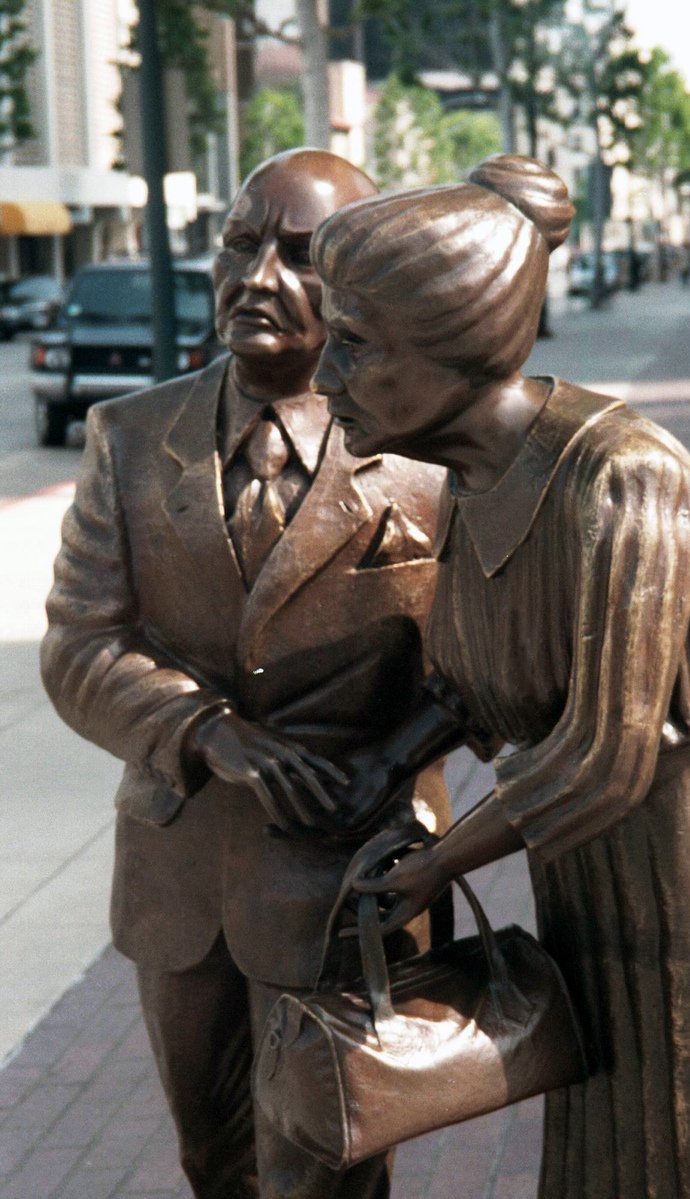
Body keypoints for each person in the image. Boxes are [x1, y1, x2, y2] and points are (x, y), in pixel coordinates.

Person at [310, 154, 690, 1199]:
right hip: (587, 851)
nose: (322, 378)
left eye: (352, 346)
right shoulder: (468, 482)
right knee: (612, 1118)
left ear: (453, 349)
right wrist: (373, 770)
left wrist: (446, 859)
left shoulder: (622, 477)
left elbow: (602, 752)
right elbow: (474, 682)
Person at [40, 149, 453, 1199]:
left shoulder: (430, 458)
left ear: (365, 284)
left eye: (301, 255)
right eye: (239, 241)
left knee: (331, 1162)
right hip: (181, 881)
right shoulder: (129, 439)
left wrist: (396, 760)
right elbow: (79, 644)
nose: (256, 275)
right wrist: (207, 730)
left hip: (351, 878)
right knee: (212, 1157)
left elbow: (487, 667)